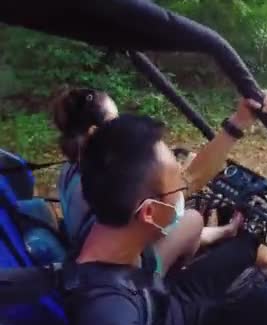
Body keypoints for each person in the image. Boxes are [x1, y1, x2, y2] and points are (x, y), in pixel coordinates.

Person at [65, 95, 267, 325]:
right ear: (150, 212)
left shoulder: (109, 219)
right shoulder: (109, 315)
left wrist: (238, 122)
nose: (185, 188)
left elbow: (192, 177)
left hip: (166, 301)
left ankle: (264, 253)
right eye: (178, 187)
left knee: (246, 244)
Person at [50, 88, 249, 274]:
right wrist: (238, 122)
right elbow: (187, 184)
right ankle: (178, 274)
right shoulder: (118, 179)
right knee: (192, 220)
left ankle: (223, 232)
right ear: (95, 133)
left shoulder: (71, 170)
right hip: (128, 271)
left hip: (88, 253)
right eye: (115, 121)